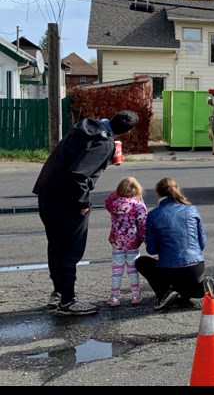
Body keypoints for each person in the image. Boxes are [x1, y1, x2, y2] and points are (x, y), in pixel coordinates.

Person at [33, 109, 139, 316]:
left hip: (47, 192)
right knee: (70, 249)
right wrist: (82, 203)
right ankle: (68, 300)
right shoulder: (103, 142)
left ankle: (58, 292)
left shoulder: (87, 127)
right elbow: (78, 175)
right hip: (67, 199)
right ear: (127, 133)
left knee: (56, 245)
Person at [135, 177, 210, 310]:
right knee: (186, 288)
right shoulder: (192, 209)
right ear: (177, 190)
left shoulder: (154, 215)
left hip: (170, 269)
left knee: (141, 262)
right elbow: (202, 243)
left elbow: (151, 249)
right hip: (196, 266)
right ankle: (201, 288)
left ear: (158, 193)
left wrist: (162, 252)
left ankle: (164, 293)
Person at [104, 176, 147, 306]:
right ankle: (135, 294)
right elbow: (143, 224)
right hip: (133, 241)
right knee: (133, 269)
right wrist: (146, 240)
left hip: (117, 241)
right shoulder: (138, 205)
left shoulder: (113, 203)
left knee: (117, 270)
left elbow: (110, 198)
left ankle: (115, 297)